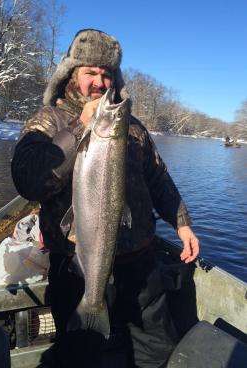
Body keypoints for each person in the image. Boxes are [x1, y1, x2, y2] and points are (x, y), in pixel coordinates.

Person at [11, 29, 199, 368]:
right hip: (77, 266)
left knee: (158, 352)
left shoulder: (132, 126)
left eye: (106, 73)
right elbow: (29, 180)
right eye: (90, 72)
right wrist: (80, 126)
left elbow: (158, 179)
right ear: (72, 76)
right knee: (81, 355)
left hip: (141, 267)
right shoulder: (47, 121)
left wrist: (182, 223)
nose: (99, 81)